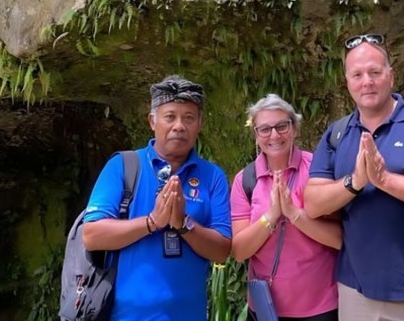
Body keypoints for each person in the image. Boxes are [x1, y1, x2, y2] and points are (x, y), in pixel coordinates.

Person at [304, 34, 404, 321]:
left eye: (375, 72)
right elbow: (313, 203)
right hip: (357, 292)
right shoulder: (337, 134)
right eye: (357, 74)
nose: (366, 81)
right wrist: (355, 182)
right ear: (347, 83)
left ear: (391, 76)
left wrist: (385, 180)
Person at [82, 75, 232, 321]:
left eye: (189, 118)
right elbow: (91, 235)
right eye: (170, 116)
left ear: (200, 123)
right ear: (152, 121)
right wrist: (151, 221)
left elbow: (222, 251)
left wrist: (183, 223)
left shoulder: (212, 176)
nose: (179, 126)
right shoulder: (124, 166)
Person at [230, 94, 340, 321]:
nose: (274, 135)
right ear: (256, 135)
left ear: (294, 129)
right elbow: (239, 252)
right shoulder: (246, 180)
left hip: (319, 306)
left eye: (282, 126)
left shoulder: (318, 170)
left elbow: (340, 239)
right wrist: (270, 216)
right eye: (265, 129)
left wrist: (294, 214)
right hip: (265, 306)